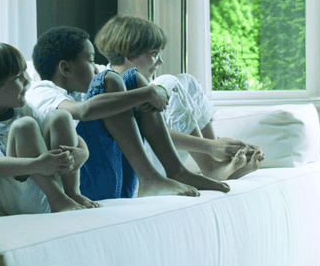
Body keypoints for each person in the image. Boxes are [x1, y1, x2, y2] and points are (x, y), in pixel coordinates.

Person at [27, 27, 230, 200]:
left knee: (132, 78)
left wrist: (145, 91)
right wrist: (148, 92)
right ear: (65, 68)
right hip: (85, 183)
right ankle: (149, 177)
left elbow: (122, 82)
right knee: (111, 80)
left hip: (114, 177)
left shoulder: (79, 90)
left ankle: (176, 171)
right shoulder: (41, 91)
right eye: (89, 61)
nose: (95, 67)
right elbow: (83, 110)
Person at [94, 14, 264, 180]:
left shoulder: (142, 85)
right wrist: (210, 146)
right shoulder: (104, 83)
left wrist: (228, 147)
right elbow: (145, 131)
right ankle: (211, 167)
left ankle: (219, 160)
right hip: (132, 165)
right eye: (154, 54)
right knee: (168, 82)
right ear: (128, 52)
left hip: (158, 153)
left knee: (187, 81)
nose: (159, 62)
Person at [0, 42, 99, 215]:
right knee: (25, 125)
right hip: (15, 196)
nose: (27, 80)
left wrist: (83, 152)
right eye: (17, 77)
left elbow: (73, 138)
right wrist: (37, 164)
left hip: (46, 188)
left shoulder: (23, 109)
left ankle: (72, 193)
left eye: (25, 72)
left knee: (60, 116)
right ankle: (57, 198)